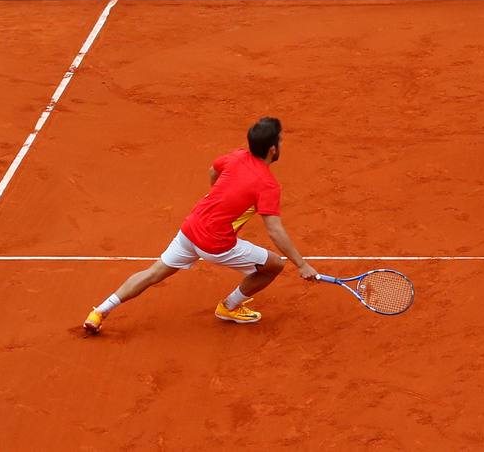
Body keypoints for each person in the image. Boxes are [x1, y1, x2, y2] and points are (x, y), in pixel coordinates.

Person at [81, 117, 317, 333]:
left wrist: (220, 195)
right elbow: (274, 230)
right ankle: (229, 307)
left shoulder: (236, 157)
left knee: (153, 273)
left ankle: (99, 312)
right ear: (273, 149)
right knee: (274, 266)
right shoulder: (267, 184)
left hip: (190, 229)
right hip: (217, 244)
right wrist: (302, 264)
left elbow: (213, 170)